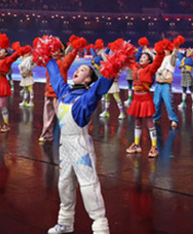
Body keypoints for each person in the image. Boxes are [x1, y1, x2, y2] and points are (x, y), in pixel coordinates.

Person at [45, 59, 113, 234]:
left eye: (82, 70)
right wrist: (49, 58)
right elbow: (55, 77)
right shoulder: (65, 93)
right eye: (77, 68)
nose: (77, 70)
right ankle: (65, 222)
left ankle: (101, 227)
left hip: (80, 145)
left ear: (87, 80)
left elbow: (101, 86)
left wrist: (113, 67)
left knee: (89, 185)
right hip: (64, 145)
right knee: (64, 183)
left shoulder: (87, 97)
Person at [125, 42, 165, 158]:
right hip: (136, 99)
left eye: (144, 57)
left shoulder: (150, 69)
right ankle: (137, 144)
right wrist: (123, 51)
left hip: (145, 98)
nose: (142, 58)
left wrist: (160, 52)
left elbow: (157, 61)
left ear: (148, 61)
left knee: (149, 121)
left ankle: (154, 147)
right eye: (141, 57)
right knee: (137, 121)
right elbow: (128, 60)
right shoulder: (135, 67)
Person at [40, 42, 79, 143]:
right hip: (48, 93)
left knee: (61, 115)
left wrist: (75, 49)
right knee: (47, 116)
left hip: (59, 94)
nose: (54, 52)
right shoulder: (49, 62)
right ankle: (47, 134)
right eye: (52, 50)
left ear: (61, 53)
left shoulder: (62, 63)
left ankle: (68, 135)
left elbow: (70, 57)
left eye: (57, 50)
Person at [0, 46, 28, 132]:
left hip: (3, 83)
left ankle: (6, 124)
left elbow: (14, 56)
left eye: (2, 50)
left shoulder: (7, 60)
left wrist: (20, 50)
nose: (0, 50)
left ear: (6, 53)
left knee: (2, 105)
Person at [153, 45, 179, 128]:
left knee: (169, 103)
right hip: (158, 84)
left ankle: (173, 119)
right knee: (156, 103)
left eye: (166, 49)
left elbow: (174, 56)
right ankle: (155, 118)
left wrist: (176, 48)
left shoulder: (171, 60)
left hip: (166, 84)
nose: (164, 50)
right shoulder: (160, 59)